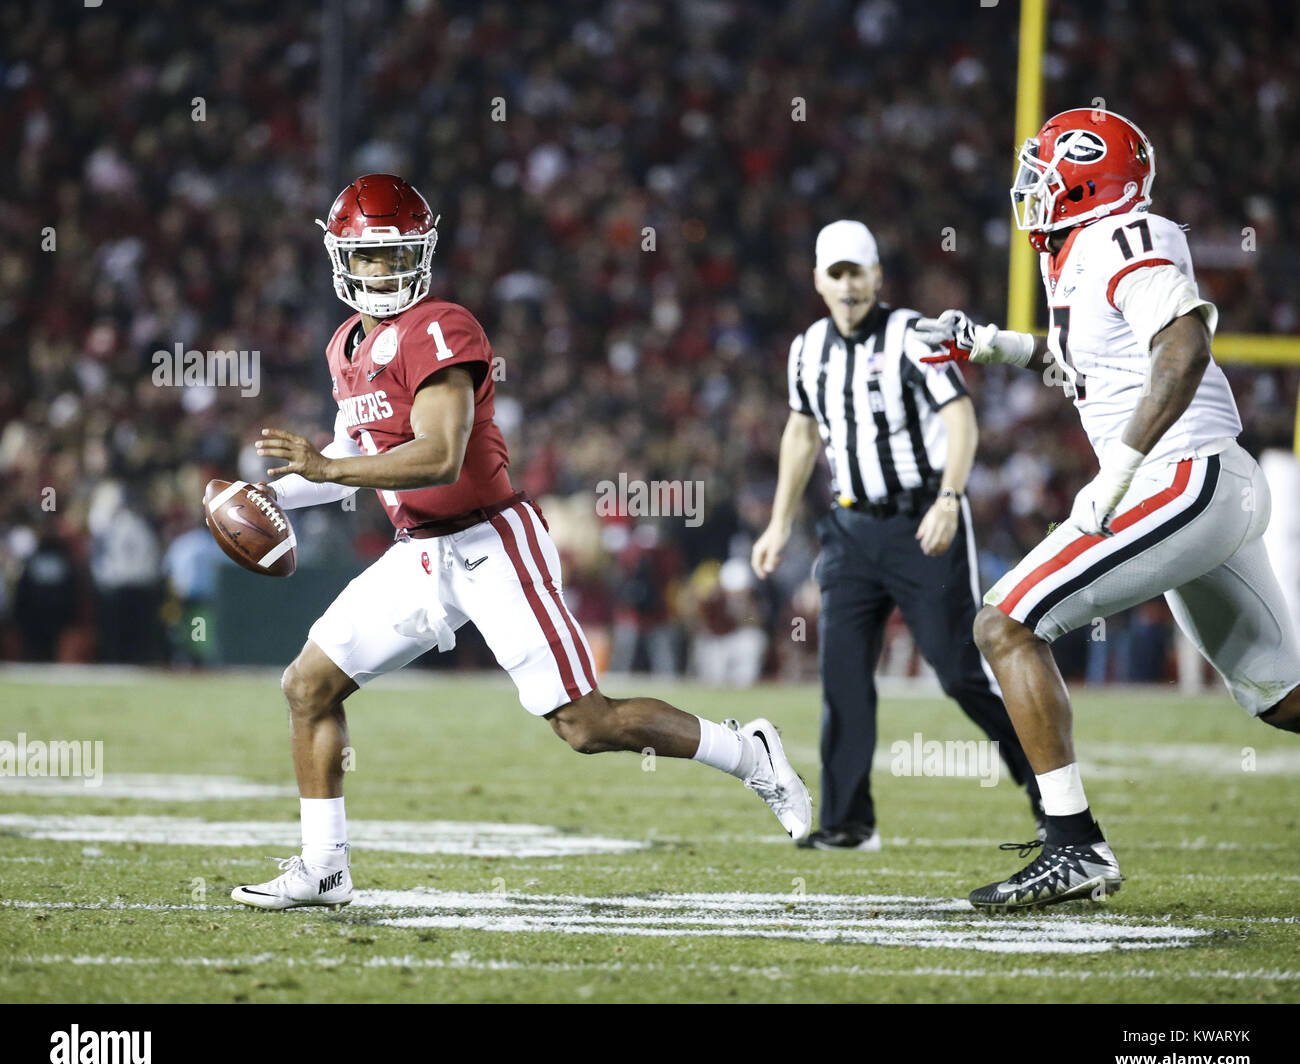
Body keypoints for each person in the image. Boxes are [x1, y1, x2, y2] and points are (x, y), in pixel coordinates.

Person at [228, 174, 810, 909]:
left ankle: (747, 752)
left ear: (425, 253)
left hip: (492, 544)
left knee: (586, 725)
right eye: (371, 256)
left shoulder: (443, 327)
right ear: (343, 258)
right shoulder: (344, 344)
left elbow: (438, 452)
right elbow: (349, 461)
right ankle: (324, 867)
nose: (385, 270)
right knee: (308, 685)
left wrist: (332, 465)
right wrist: (269, 493)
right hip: (417, 555)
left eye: (398, 254)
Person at [915, 109, 1300, 909]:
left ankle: (1074, 847)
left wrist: (1118, 470)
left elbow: (1184, 346)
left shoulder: (1128, 235)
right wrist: (991, 343)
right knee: (1282, 696)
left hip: (1182, 474)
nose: (1030, 188)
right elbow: (1085, 364)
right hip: (1206, 484)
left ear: (1089, 177)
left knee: (1005, 623)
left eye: (1044, 172)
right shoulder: (1087, 257)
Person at [751, 220, 1042, 851]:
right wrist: (778, 521)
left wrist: (948, 496)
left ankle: (1049, 789)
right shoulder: (807, 349)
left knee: (960, 670)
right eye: (837, 273)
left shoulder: (912, 334)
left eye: (858, 271)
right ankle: (850, 822)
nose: (849, 284)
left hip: (921, 520)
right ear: (819, 282)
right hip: (849, 528)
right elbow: (801, 434)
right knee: (843, 676)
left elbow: (960, 418)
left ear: (877, 276)